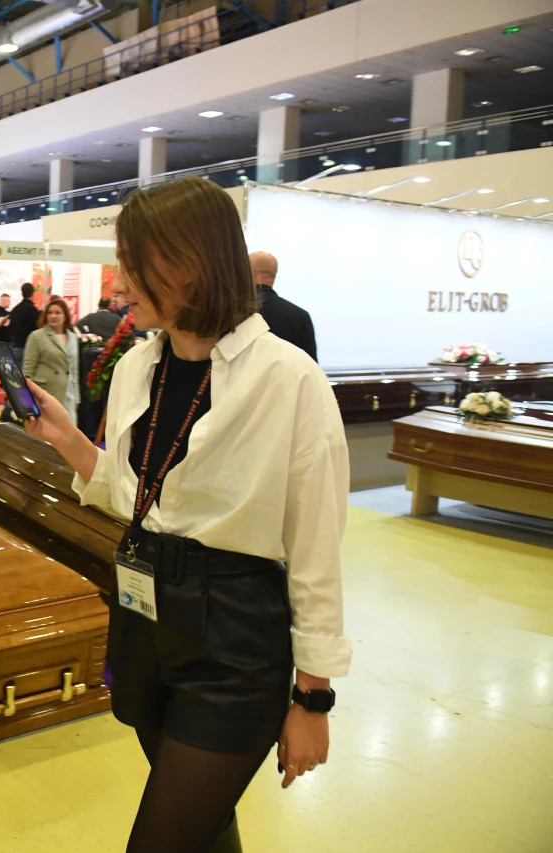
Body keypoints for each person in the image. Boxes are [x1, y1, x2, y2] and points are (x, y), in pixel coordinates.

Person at [23, 177, 349, 852]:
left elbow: (316, 545)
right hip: (145, 623)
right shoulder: (138, 367)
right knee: (204, 828)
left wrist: (312, 697)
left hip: (235, 641)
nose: (119, 283)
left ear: (189, 262)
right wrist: (69, 441)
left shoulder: (289, 378)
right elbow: (134, 499)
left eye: (132, 263)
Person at [249, 251, 317, 362]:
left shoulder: (232, 314)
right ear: (274, 275)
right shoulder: (300, 316)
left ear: (246, 272)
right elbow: (311, 366)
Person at [23, 297, 79, 421]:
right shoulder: (36, 336)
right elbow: (27, 370)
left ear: (65, 316)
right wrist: (27, 399)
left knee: (68, 429)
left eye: (58, 313)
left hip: (68, 395)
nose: (53, 316)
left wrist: (76, 398)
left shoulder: (73, 338)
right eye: (49, 313)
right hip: (45, 395)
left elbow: (74, 370)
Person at [0, 283, 40, 422]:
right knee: (24, 384)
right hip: (26, 350)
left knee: (13, 383)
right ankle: (23, 414)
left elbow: (9, 329)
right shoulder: (33, 311)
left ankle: (7, 410)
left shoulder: (15, 310)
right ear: (32, 293)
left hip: (13, 349)